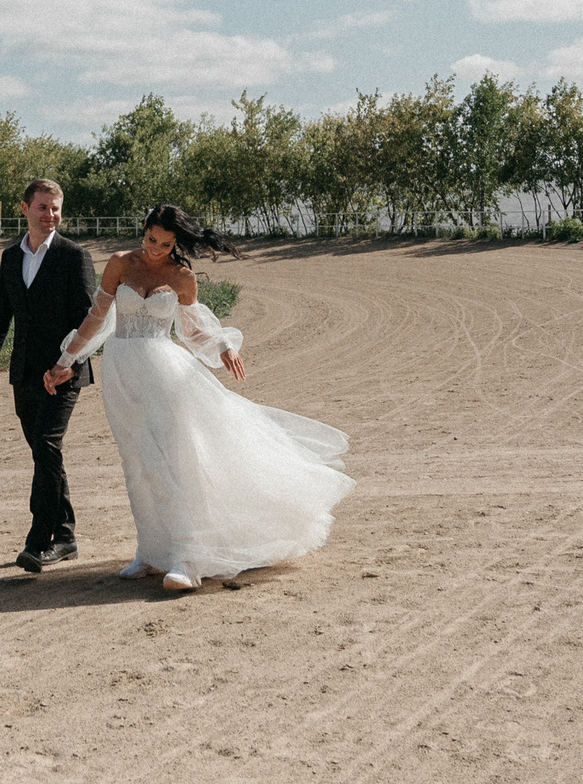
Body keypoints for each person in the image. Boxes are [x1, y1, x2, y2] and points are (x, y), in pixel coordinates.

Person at [42, 202, 353, 592]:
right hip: (121, 372)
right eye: (151, 238)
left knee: (175, 459)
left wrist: (223, 345)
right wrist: (67, 359)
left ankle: (187, 558)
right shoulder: (120, 263)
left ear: (177, 243)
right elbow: (96, 317)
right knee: (136, 460)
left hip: (165, 374)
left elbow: (192, 333)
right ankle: (151, 552)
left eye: (165, 243)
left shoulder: (182, 277)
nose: (155, 247)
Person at [0, 178, 100, 573]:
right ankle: (66, 536)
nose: (51, 215)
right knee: (45, 456)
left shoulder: (74, 257)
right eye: (43, 207)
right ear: (25, 209)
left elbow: (90, 321)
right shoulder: (11, 257)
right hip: (24, 374)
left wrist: (70, 365)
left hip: (63, 375)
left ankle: (39, 539)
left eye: (56, 208)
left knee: (46, 445)